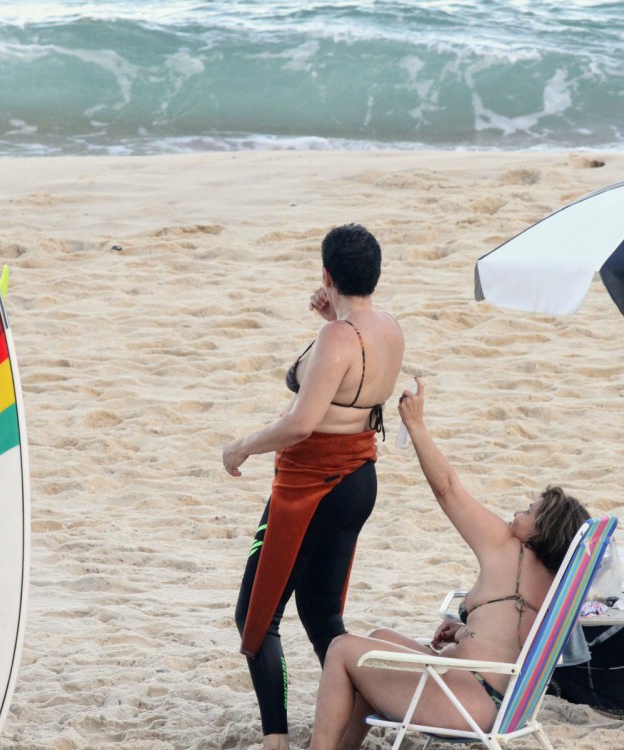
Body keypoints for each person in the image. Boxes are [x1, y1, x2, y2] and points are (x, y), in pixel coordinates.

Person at [308, 378, 591, 750]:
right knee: (379, 639)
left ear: (543, 530)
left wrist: (416, 425)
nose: (516, 513)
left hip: (464, 701)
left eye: (528, 511)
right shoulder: (555, 578)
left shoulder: (509, 548)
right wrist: (462, 632)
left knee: (342, 648)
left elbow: (447, 488)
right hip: (499, 700)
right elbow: (503, 636)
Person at [223, 223, 404, 750]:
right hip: (357, 481)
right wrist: (333, 319)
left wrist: (243, 445)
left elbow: (301, 424)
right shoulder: (388, 329)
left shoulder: (337, 339)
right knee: (322, 614)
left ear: (327, 275)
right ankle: (359, 716)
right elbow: (352, 381)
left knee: (257, 616)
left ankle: (276, 738)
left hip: (312, 487)